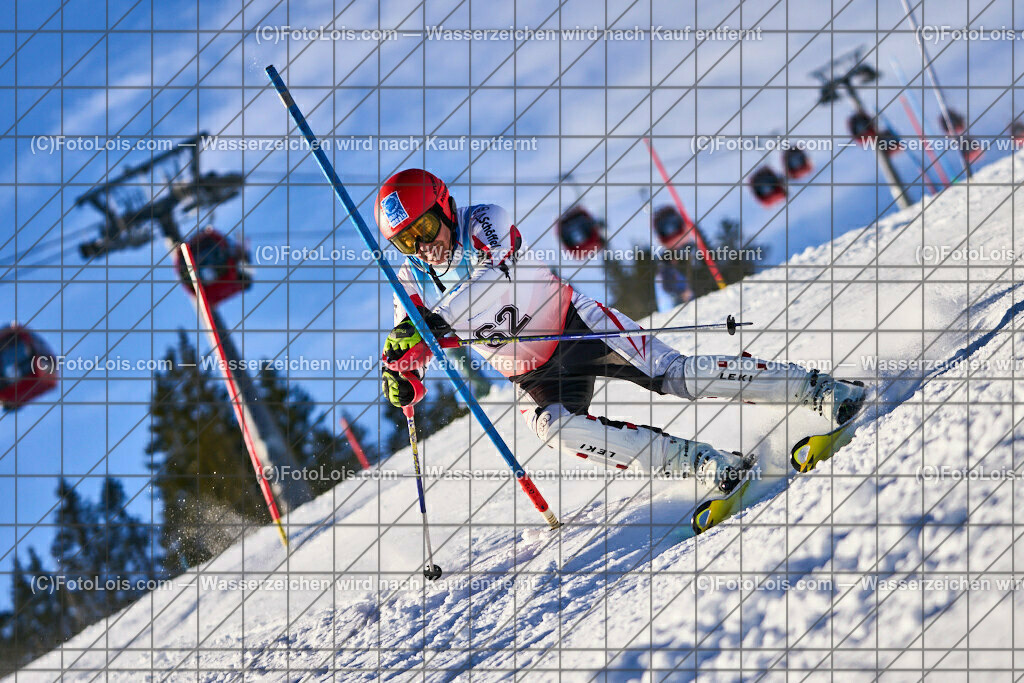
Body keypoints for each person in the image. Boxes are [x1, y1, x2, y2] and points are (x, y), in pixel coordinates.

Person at [375, 169, 864, 494]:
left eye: (424, 229)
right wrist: (401, 375)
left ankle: (816, 389)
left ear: (445, 206)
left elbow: (494, 274)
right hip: (531, 375)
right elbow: (407, 346)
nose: (421, 247)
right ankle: (701, 462)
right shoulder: (410, 281)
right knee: (556, 430)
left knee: (676, 377)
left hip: (576, 327)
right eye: (405, 241)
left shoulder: (483, 220)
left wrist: (431, 325)